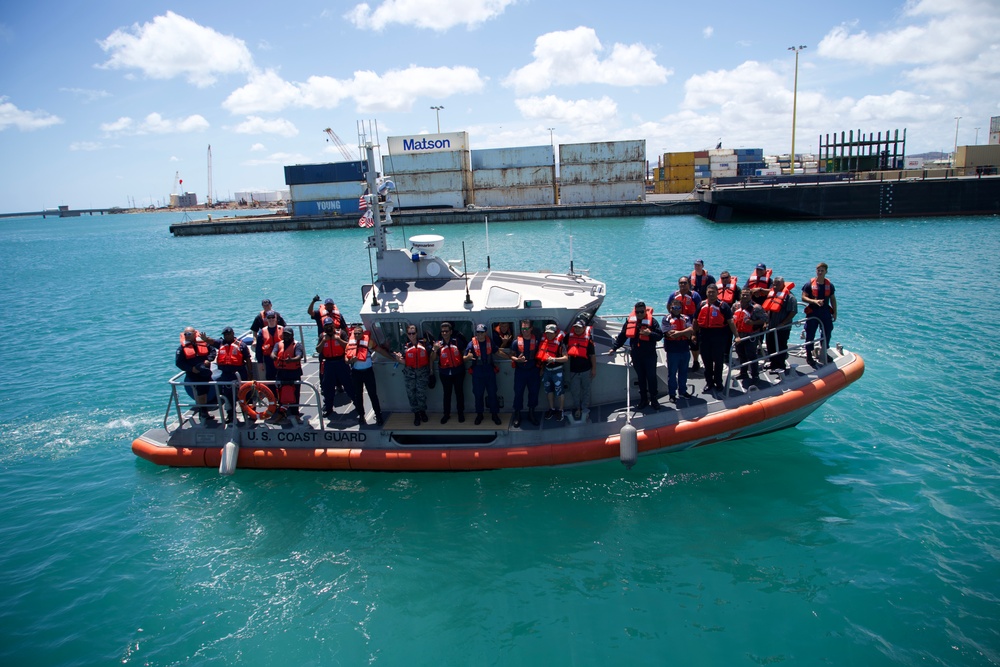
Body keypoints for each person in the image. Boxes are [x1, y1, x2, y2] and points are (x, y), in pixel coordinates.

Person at [608, 301, 663, 410]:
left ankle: (654, 399)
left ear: (645, 311)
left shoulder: (653, 322)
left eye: (641, 312)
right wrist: (614, 348)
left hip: (649, 355)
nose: (639, 314)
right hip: (637, 355)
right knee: (641, 378)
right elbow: (622, 336)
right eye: (637, 312)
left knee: (651, 377)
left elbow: (660, 335)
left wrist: (649, 334)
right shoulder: (630, 321)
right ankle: (643, 399)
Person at [693, 284, 739, 393]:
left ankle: (718, 382)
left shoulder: (723, 306)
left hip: (718, 336)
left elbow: (730, 322)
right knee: (706, 360)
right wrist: (694, 334)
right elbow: (695, 320)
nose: (711, 294)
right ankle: (709, 382)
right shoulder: (701, 304)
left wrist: (736, 336)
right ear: (706, 293)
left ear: (717, 293)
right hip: (704, 335)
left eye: (713, 292)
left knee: (718, 361)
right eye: (709, 292)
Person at [346, 323, 391, 425]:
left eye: (359, 333)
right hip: (356, 373)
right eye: (355, 333)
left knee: (373, 394)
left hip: (368, 372)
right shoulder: (350, 344)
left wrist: (392, 358)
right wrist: (350, 361)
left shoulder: (369, 342)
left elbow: (380, 350)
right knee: (358, 395)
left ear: (362, 333)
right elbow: (345, 360)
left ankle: (378, 415)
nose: (357, 335)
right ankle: (361, 415)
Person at [207, 326, 252, 423]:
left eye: (228, 334)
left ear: (233, 334)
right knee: (228, 396)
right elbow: (211, 341)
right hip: (226, 374)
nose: (227, 336)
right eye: (225, 335)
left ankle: (250, 414)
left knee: (245, 394)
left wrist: (250, 373)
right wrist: (204, 339)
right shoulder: (220, 343)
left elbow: (248, 360)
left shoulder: (241, 345)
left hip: (239, 373)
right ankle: (231, 415)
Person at [175, 327, 217, 421]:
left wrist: (208, 360)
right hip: (194, 374)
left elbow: (212, 351)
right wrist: (191, 369)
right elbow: (179, 363)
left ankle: (204, 410)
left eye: (189, 334)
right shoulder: (182, 348)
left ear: (194, 334)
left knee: (206, 391)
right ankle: (203, 412)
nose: (186, 336)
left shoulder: (202, 343)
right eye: (185, 334)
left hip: (205, 371)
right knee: (201, 392)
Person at [315, 316, 353, 418]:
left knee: (348, 384)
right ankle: (328, 408)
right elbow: (318, 350)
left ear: (333, 325)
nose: (328, 328)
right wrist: (323, 341)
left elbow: (348, 346)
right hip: (329, 364)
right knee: (327, 386)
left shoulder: (341, 333)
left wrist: (338, 339)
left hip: (341, 362)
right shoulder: (322, 336)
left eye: (330, 325)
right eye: (326, 326)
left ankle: (357, 404)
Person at [465, 324, 501, 425]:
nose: (479, 334)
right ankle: (479, 414)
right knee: (478, 395)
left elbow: (497, 352)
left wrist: (511, 357)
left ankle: (494, 414)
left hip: (489, 372)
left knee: (493, 394)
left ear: (485, 332)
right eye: (478, 332)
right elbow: (464, 357)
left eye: (481, 332)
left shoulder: (490, 342)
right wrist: (467, 357)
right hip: (477, 373)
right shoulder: (471, 344)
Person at [801, 262, 837, 366]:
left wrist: (835, 312)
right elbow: (803, 297)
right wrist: (814, 301)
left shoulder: (829, 285)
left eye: (822, 270)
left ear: (826, 272)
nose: (820, 272)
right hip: (813, 312)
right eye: (818, 270)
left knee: (827, 331)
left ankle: (824, 351)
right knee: (810, 333)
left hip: (825, 312)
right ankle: (809, 354)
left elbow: (833, 299)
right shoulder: (809, 284)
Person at [507, 319, 541, 427]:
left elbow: (541, 355)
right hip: (520, 372)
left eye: (526, 328)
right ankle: (517, 415)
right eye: (523, 328)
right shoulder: (516, 342)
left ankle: (531, 413)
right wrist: (517, 359)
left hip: (533, 371)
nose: (524, 330)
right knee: (518, 393)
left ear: (531, 329)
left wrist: (542, 369)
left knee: (534, 392)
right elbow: (511, 355)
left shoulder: (536, 341)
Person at [395, 324, 430, 426]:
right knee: (411, 395)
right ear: (407, 334)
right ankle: (416, 414)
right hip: (409, 374)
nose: (412, 335)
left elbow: (431, 355)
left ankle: (423, 412)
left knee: (421, 394)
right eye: (409, 333)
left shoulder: (424, 343)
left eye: (413, 333)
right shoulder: (404, 346)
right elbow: (403, 361)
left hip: (422, 373)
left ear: (416, 333)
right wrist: (399, 359)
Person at [432, 321, 466, 424]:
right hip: (445, 373)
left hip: (458, 371)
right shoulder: (438, 345)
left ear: (451, 332)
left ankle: (461, 413)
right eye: (442, 332)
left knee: (459, 393)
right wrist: (434, 350)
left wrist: (466, 358)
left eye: (446, 331)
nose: (444, 333)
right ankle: (446, 414)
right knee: (447, 394)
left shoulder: (457, 342)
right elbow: (433, 359)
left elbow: (464, 353)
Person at [763, 276, 798, 372]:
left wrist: (783, 323)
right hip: (771, 326)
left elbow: (793, 311)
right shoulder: (773, 294)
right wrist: (766, 322)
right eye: (773, 284)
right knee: (770, 345)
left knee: (781, 346)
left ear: (783, 284)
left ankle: (780, 365)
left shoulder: (790, 297)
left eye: (777, 284)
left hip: (782, 328)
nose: (774, 286)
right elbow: (769, 309)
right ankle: (773, 363)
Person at [661, 301, 694, 401]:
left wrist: (679, 333)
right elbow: (669, 333)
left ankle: (683, 391)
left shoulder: (686, 318)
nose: (676, 310)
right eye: (674, 308)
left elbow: (691, 330)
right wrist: (684, 333)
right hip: (672, 351)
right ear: (670, 308)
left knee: (683, 372)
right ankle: (672, 394)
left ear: (681, 308)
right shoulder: (666, 319)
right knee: (672, 373)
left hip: (684, 349)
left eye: (678, 308)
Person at [667, 277, 702, 372]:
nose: (683, 285)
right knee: (680, 344)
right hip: (678, 324)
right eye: (681, 283)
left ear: (689, 284)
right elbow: (668, 306)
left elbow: (700, 309)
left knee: (694, 344)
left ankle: (695, 361)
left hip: (692, 323)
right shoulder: (673, 295)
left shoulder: (695, 295)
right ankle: (680, 363)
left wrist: (695, 329)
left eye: (685, 283)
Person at [271, 327, 305, 422]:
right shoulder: (278, 344)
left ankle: (295, 413)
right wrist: (273, 356)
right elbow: (273, 352)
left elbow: (299, 356)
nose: (286, 336)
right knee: (281, 393)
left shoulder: (297, 345)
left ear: (292, 335)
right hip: (281, 372)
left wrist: (291, 360)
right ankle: (282, 413)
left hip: (294, 372)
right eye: (285, 334)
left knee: (295, 393)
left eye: (288, 334)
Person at [565, 320, 597, 421]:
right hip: (574, 371)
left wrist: (593, 369)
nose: (577, 329)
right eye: (576, 327)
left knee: (586, 390)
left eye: (579, 327)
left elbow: (592, 356)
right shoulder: (569, 338)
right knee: (575, 391)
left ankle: (584, 408)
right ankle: (577, 408)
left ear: (584, 328)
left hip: (586, 370)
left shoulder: (588, 340)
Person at [537, 323, 569, 421]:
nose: (549, 335)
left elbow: (565, 358)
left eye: (551, 333)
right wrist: (542, 369)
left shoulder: (560, 344)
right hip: (547, 371)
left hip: (557, 371)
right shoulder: (544, 343)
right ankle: (551, 408)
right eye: (547, 333)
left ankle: (561, 410)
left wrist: (554, 359)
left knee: (559, 391)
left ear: (555, 333)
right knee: (548, 390)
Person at [732, 292, 766, 382]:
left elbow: (765, 319)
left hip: (751, 336)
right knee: (741, 355)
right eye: (743, 294)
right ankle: (743, 373)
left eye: (747, 295)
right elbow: (731, 318)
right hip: (738, 335)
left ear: (751, 296)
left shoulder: (756, 308)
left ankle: (755, 375)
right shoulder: (735, 306)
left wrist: (753, 323)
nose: (745, 296)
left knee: (751, 355)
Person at [256, 311, 283, 382]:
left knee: (281, 376)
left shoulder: (282, 329)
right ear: (266, 319)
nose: (271, 320)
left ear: (276, 318)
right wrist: (260, 362)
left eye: (273, 317)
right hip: (268, 359)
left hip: (280, 357)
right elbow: (258, 348)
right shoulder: (262, 332)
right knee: (270, 377)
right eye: (269, 318)